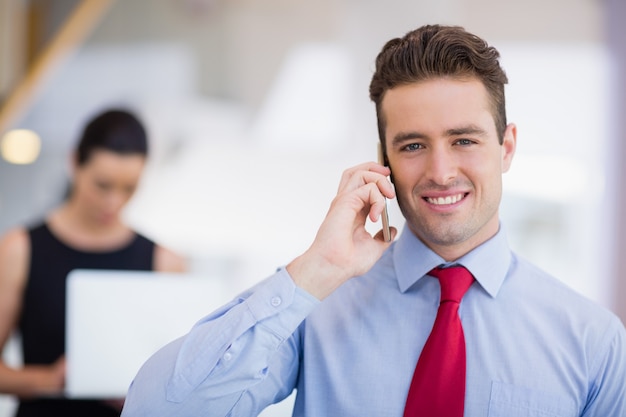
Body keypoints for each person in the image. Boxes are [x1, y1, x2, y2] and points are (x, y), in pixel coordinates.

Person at [121, 25, 626, 417]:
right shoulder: (317, 306)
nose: (441, 171)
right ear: (381, 159)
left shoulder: (592, 339)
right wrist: (316, 271)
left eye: (464, 140)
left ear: (507, 147)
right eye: (412, 145)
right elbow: (157, 408)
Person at [0, 108, 186, 417]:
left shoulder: (166, 263)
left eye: (129, 188)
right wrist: (50, 380)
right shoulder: (20, 249)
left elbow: (181, 378)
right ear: (74, 163)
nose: (114, 201)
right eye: (102, 185)